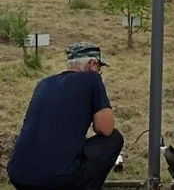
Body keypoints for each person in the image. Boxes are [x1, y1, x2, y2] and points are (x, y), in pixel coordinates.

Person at [7, 42, 123, 190]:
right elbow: (105, 129)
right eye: (99, 69)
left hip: (18, 175)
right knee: (114, 139)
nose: (99, 73)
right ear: (91, 64)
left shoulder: (44, 83)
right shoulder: (92, 79)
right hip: (55, 180)